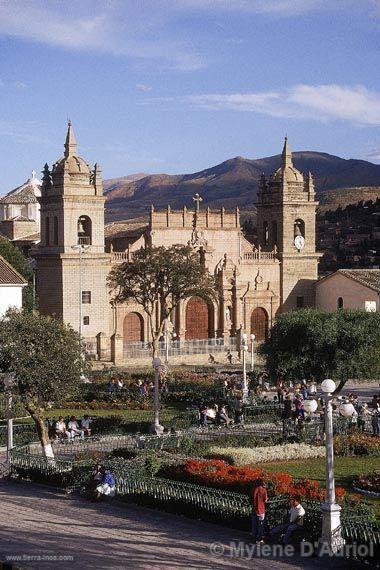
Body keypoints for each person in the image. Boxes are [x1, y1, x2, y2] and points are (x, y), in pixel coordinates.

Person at [252, 478, 268, 543]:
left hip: (254, 509)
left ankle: (254, 538)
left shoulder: (254, 489)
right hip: (261, 510)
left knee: (254, 525)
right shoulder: (264, 490)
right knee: (260, 525)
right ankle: (260, 539)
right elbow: (265, 500)